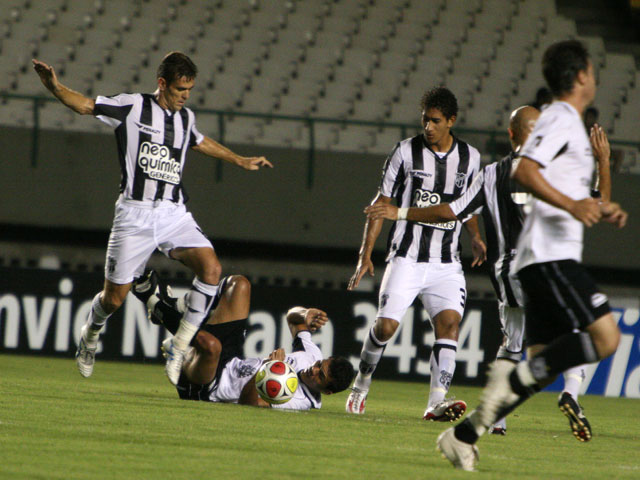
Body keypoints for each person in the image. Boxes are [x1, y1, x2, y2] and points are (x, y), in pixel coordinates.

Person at [435, 40, 628, 471]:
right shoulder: (560, 118)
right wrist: (574, 205)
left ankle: (462, 437)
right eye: (592, 71)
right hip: (550, 258)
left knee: (539, 366)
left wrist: (598, 203)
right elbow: (524, 170)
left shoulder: (565, 124)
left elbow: (566, 192)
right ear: (580, 76)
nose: (594, 78)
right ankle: (476, 421)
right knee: (606, 339)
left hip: (542, 258)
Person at [366, 105, 614, 437]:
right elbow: (599, 206)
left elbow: (450, 211)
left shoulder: (490, 174)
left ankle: (497, 417)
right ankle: (570, 392)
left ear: (510, 134)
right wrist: (604, 162)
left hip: (505, 278)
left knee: (512, 344)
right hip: (541, 270)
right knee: (586, 329)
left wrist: (400, 212)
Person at [32, 53, 273, 385]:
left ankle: (179, 345)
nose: (185, 95)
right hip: (135, 214)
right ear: (162, 84)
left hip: (173, 212)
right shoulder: (131, 107)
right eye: (179, 89)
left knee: (212, 268)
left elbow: (200, 142)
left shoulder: (185, 118)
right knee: (114, 298)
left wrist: (239, 160)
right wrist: (55, 87)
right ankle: (91, 333)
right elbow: (86, 105)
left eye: (189, 88)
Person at [346, 87, 486, 420]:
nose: (428, 127)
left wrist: (476, 237)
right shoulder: (405, 153)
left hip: (446, 263)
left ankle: (436, 402)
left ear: (451, 121)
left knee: (450, 326)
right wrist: (365, 255)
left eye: (436, 121)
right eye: (425, 119)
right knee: (385, 328)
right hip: (406, 258)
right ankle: (362, 382)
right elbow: (381, 206)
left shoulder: (471, 158)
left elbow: (466, 207)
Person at [131, 271, 355, 409]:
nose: (313, 370)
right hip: (231, 360)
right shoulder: (312, 356)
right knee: (239, 285)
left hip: (209, 387)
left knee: (210, 346)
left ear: (326, 392)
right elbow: (293, 319)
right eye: (319, 365)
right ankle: (175, 309)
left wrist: (270, 369)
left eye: (320, 376)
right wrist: (304, 313)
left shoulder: (300, 402)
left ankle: (150, 299)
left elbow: (249, 403)